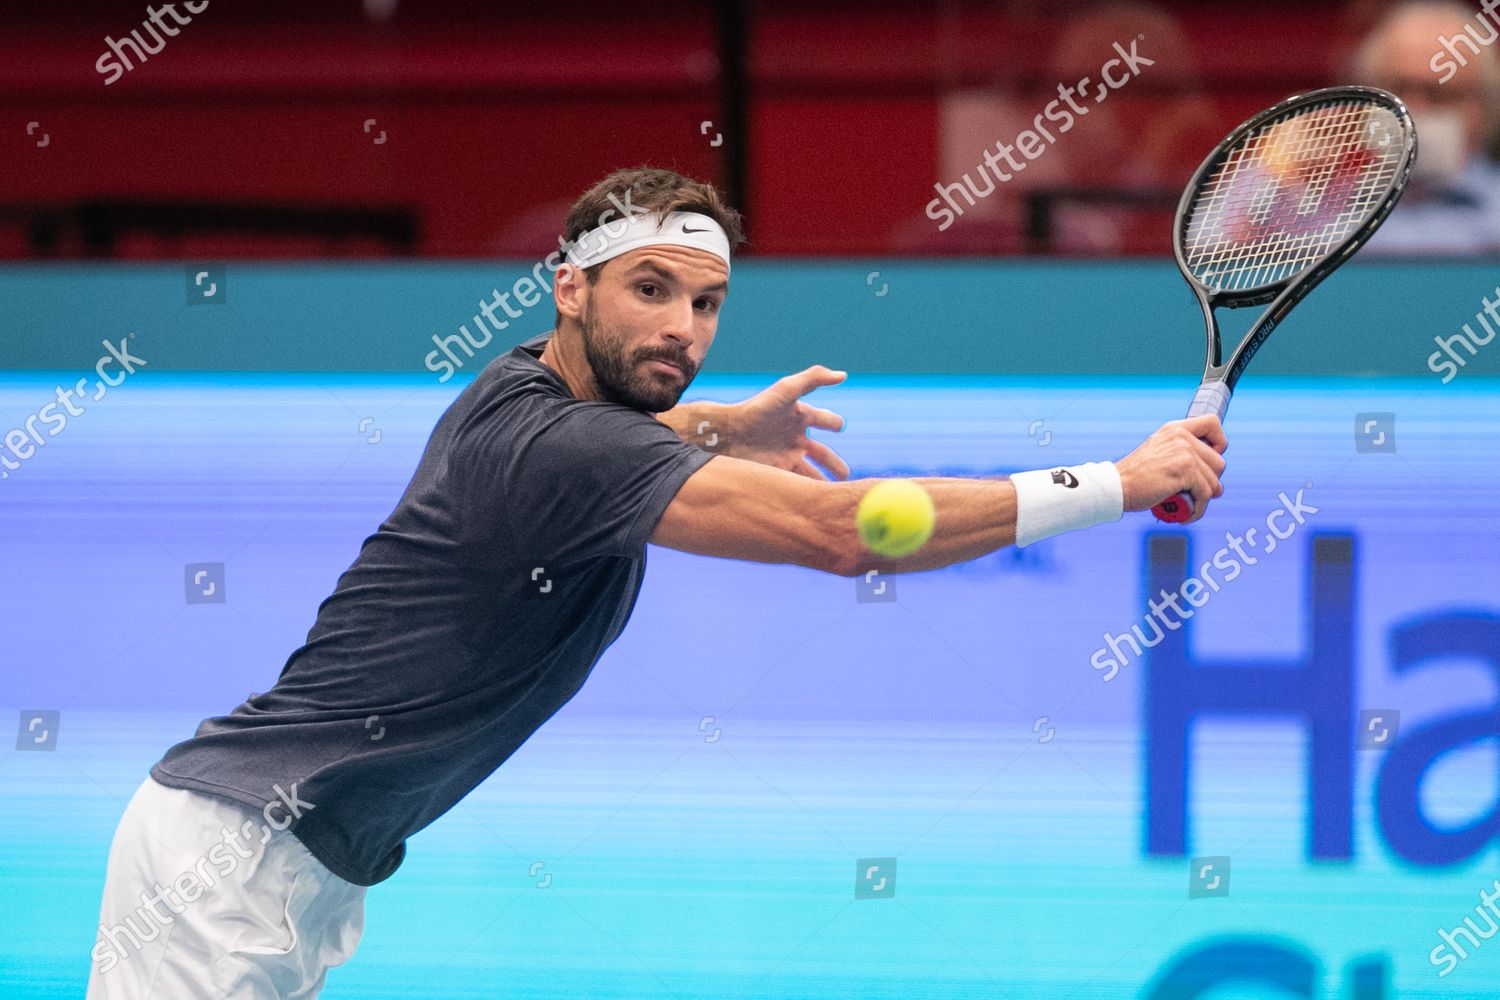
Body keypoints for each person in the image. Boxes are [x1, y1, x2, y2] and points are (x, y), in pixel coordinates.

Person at [86, 165, 1226, 998]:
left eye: (705, 303)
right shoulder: (570, 452)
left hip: (298, 858)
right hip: (229, 857)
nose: (681, 329)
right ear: (568, 287)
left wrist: (723, 424)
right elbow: (847, 531)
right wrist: (1118, 481)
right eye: (647, 291)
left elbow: (632, 419)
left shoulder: (520, 390)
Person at [1352, 0, 1500, 254]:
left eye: (1439, 94)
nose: (1414, 110)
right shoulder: (1310, 210)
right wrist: (1274, 170)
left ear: (1485, 107)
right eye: (1397, 89)